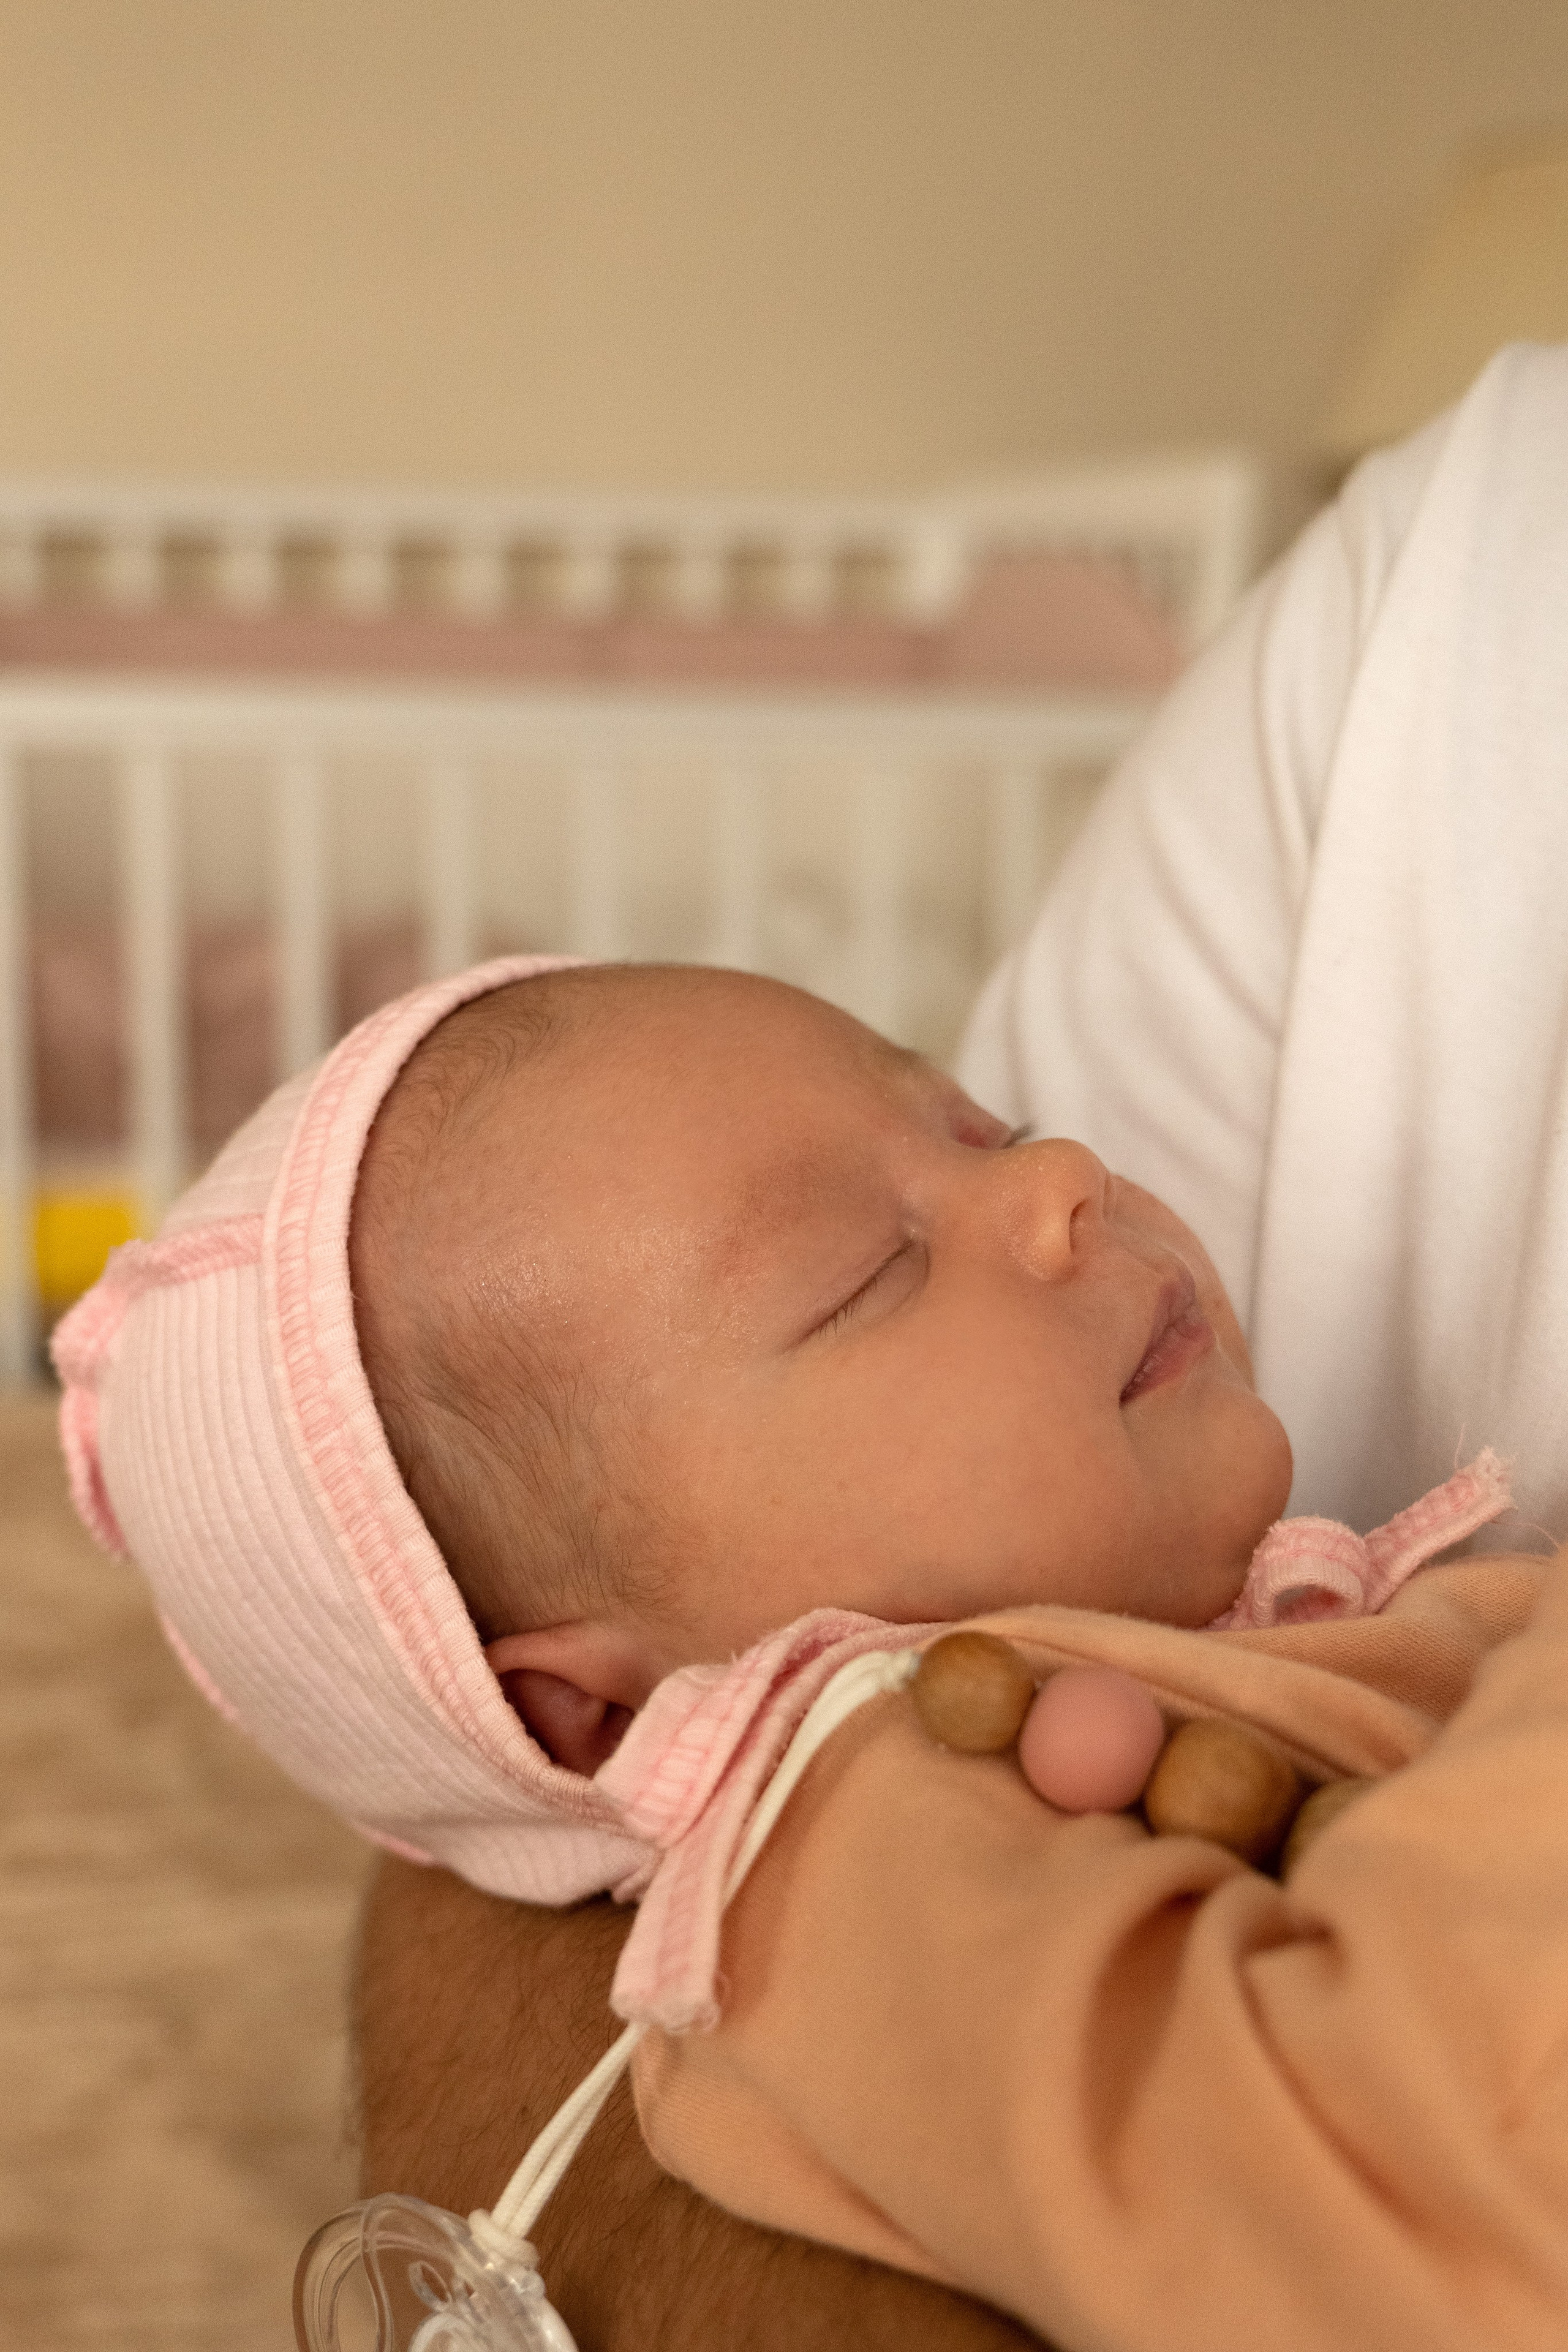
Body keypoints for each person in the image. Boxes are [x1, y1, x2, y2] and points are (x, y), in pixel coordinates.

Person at [351, 342, 1568, 2348]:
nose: (1066, 1176)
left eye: (978, 1125)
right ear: (599, 1724)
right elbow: (1329, 2202)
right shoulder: (852, 1863)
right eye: (867, 1276)